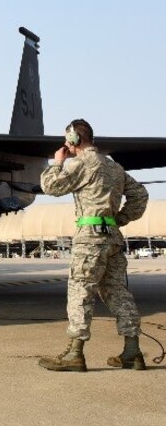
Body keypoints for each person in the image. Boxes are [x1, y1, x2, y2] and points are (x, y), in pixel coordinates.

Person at [37, 119, 149, 372]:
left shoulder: (82, 163)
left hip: (90, 239)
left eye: (68, 140)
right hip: (112, 237)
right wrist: (119, 219)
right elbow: (140, 195)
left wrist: (58, 161)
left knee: (80, 292)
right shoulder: (113, 167)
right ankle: (132, 351)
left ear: (74, 138)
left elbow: (50, 186)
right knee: (118, 292)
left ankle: (75, 354)